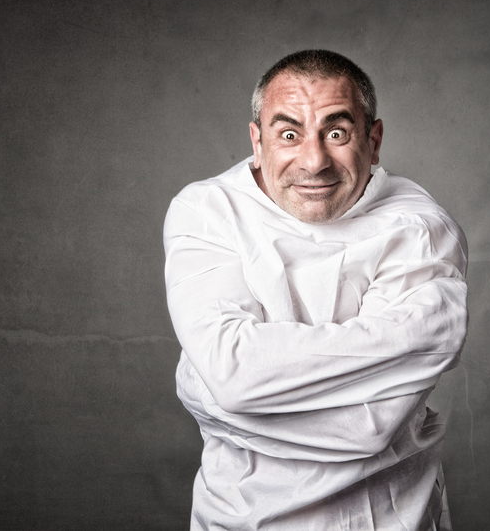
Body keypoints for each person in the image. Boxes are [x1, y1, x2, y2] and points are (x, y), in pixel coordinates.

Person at [163, 50, 468, 530]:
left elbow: (371, 427)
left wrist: (214, 393)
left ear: (374, 138)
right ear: (257, 141)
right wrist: (227, 380)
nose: (314, 160)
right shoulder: (207, 211)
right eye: (289, 134)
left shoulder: (420, 229)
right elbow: (231, 371)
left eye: (336, 133)